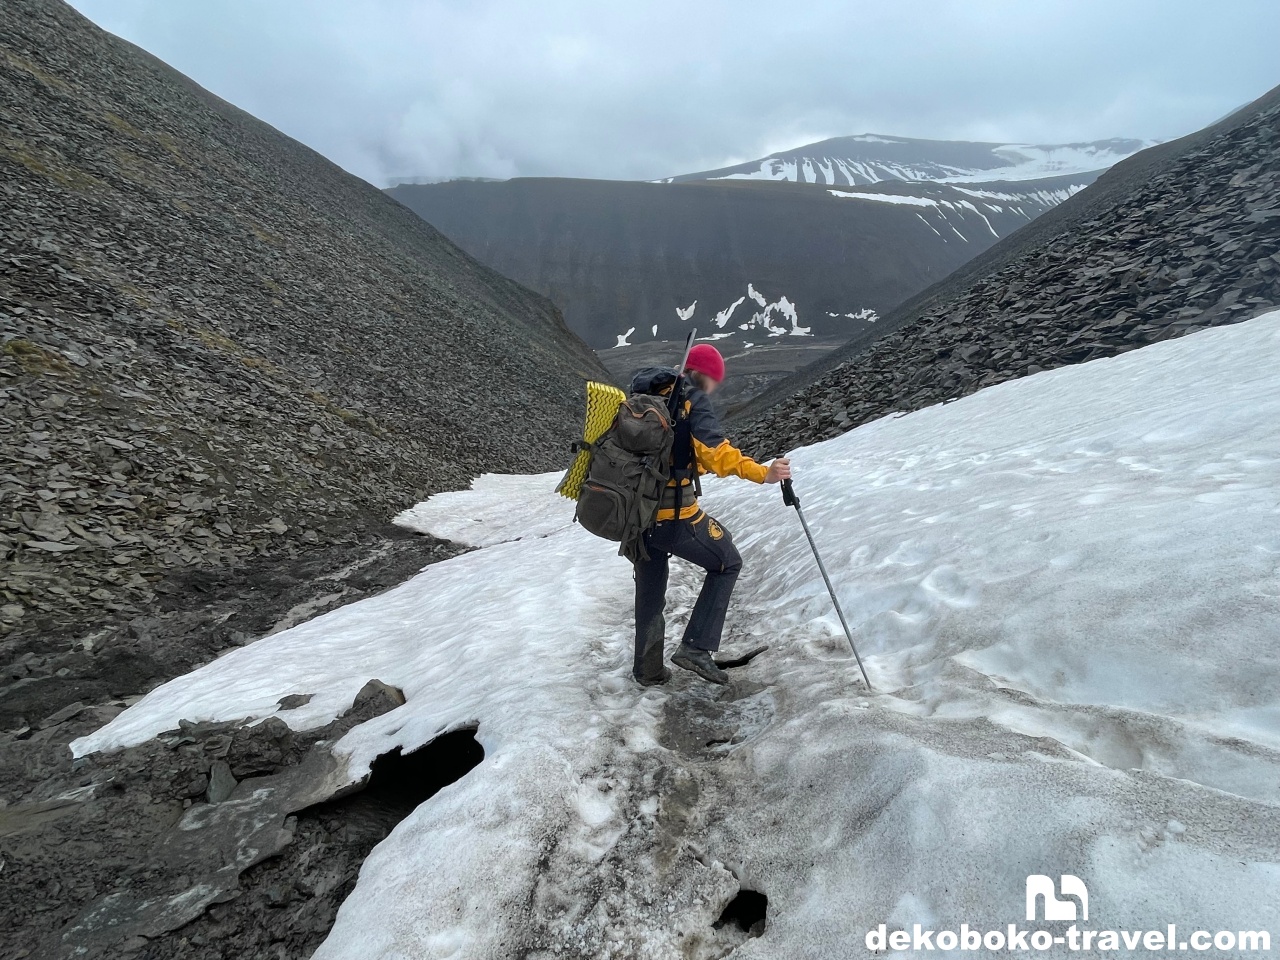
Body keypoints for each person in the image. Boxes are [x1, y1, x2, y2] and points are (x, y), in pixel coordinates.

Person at [630, 344, 791, 686]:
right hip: (675, 515)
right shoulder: (691, 399)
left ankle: (648, 672)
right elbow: (714, 452)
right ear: (705, 375)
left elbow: (681, 451)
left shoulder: (647, 397)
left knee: (650, 592)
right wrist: (762, 472)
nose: (716, 386)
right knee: (727, 561)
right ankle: (696, 648)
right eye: (715, 379)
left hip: (638, 516)